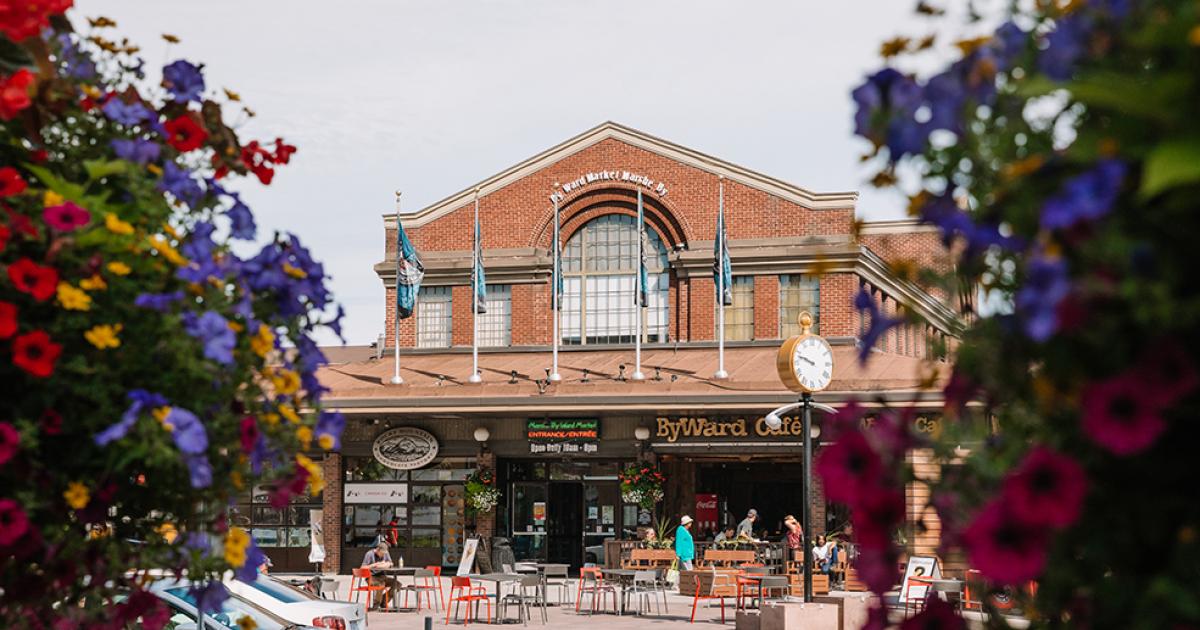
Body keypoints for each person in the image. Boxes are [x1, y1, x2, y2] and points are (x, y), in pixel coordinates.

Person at [361, 540, 398, 609]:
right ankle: (376, 604)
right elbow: (362, 567)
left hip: (382, 576)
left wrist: (387, 564)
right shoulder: (369, 554)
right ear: (377, 550)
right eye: (382, 553)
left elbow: (391, 563)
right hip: (371, 577)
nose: (383, 555)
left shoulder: (386, 553)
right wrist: (374, 565)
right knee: (381, 584)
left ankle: (384, 600)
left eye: (384, 553)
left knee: (397, 584)